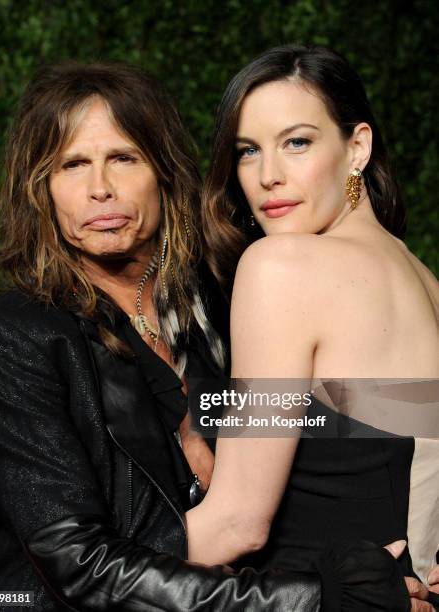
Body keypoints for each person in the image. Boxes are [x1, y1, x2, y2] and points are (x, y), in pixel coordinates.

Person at [0, 61, 413, 612]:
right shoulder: (9, 338)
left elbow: (376, 426)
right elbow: (76, 566)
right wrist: (312, 599)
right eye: (71, 165)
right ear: (41, 191)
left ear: (164, 172)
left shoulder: (221, 303)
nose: (99, 189)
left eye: (123, 159)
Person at [188, 44, 439, 609]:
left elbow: (237, 525)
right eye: (247, 151)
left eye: (296, 142)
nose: (267, 176)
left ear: (358, 147)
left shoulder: (282, 269)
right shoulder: (425, 283)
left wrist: (82, 563)